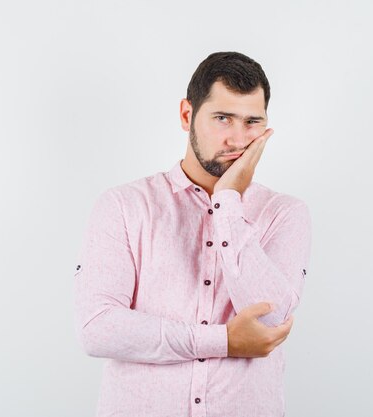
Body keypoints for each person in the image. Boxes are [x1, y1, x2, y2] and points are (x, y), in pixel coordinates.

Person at [73, 51, 312, 417]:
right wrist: (224, 341)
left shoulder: (285, 214)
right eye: (222, 118)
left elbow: (267, 323)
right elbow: (99, 328)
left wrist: (228, 201)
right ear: (187, 115)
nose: (237, 138)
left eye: (252, 122)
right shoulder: (124, 206)